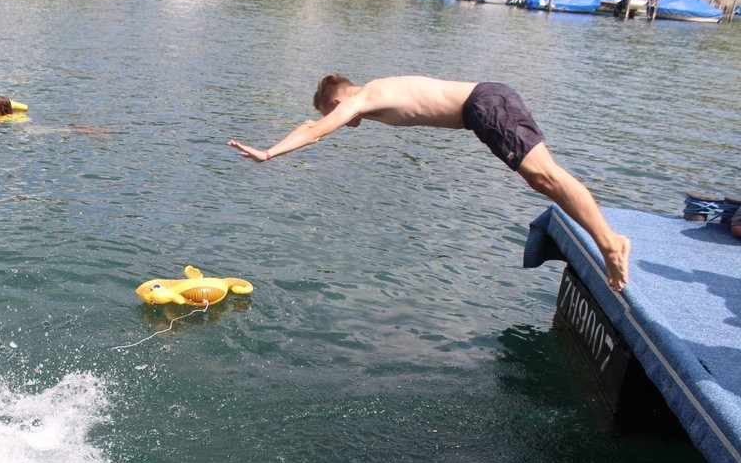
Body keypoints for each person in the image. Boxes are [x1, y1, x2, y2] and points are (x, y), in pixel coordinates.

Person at [227, 75, 631, 292]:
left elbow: (315, 129)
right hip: (486, 105)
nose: (348, 122)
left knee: (547, 176)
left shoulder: (361, 98)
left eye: (338, 113)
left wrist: (269, 153)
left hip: (484, 105)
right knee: (541, 181)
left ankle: (610, 242)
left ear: (335, 101)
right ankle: (607, 238)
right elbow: (314, 124)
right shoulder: (375, 92)